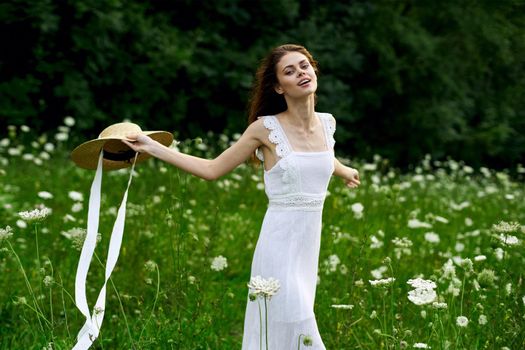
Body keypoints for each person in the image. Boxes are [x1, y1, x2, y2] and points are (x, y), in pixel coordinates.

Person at [123, 44, 360, 349]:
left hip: (307, 248)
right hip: (278, 246)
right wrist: (153, 147)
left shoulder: (328, 124)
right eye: (289, 71)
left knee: (289, 326)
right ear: (278, 87)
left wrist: (342, 169)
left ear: (314, 70)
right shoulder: (265, 129)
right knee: (300, 324)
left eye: (304, 66)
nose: (301, 73)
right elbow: (212, 169)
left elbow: (320, 157)